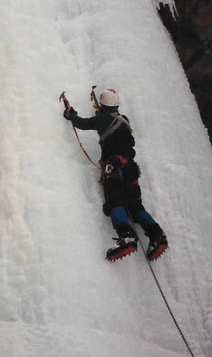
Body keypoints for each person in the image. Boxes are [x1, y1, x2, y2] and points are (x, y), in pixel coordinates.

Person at [63, 88, 168, 261]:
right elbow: (129, 140)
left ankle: (127, 236)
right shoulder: (123, 120)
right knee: (135, 205)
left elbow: (82, 123)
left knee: (115, 202)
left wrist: (71, 114)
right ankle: (157, 235)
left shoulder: (101, 119)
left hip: (114, 169)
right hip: (131, 168)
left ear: (102, 105)